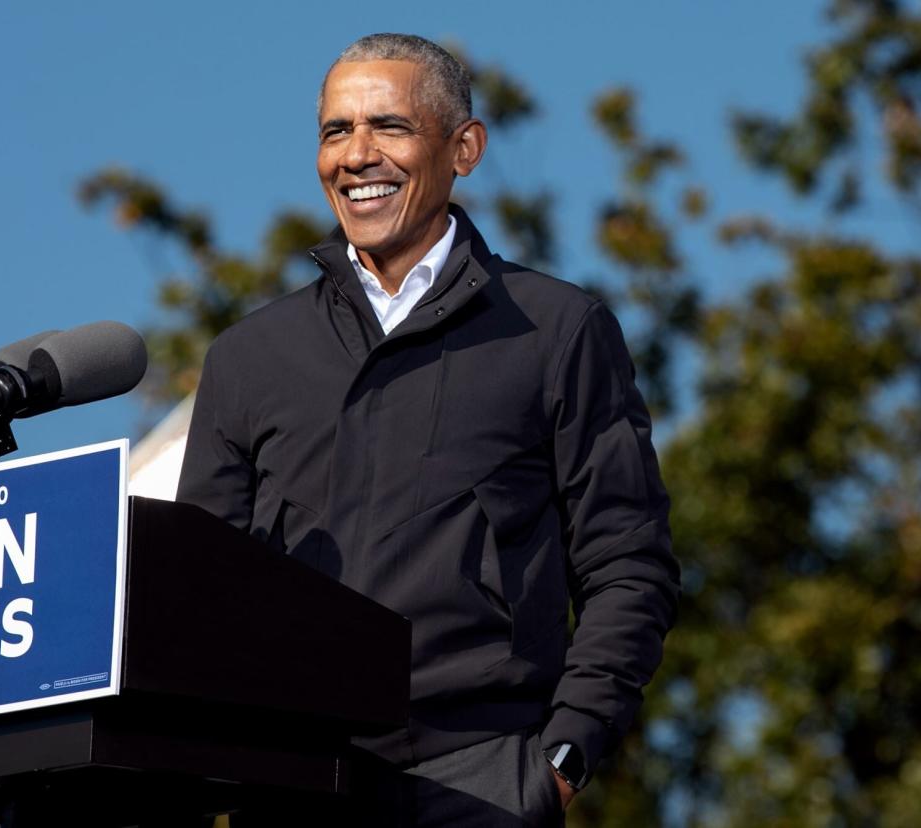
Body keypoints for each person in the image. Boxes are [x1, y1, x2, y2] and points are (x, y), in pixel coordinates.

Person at [177, 32, 680, 827]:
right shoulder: (249, 357)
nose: (357, 155)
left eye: (391, 127)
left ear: (464, 148)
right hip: (289, 789)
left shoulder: (556, 330)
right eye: (336, 131)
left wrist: (562, 757)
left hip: (481, 779)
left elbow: (629, 565)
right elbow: (196, 595)